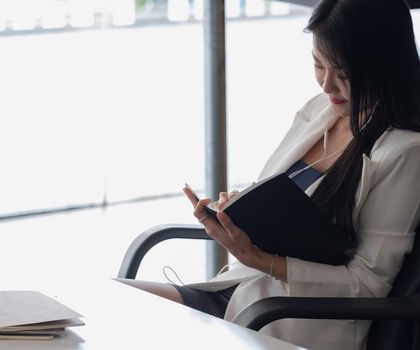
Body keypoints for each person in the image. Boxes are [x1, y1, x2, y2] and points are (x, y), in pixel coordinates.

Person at [117, 0, 420, 349]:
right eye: (318, 65)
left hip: (288, 318)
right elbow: (281, 202)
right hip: (241, 293)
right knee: (109, 301)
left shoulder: (403, 152)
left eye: (344, 74)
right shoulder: (319, 111)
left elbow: (369, 284)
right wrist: (239, 213)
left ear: (385, 66)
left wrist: (260, 259)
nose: (326, 85)